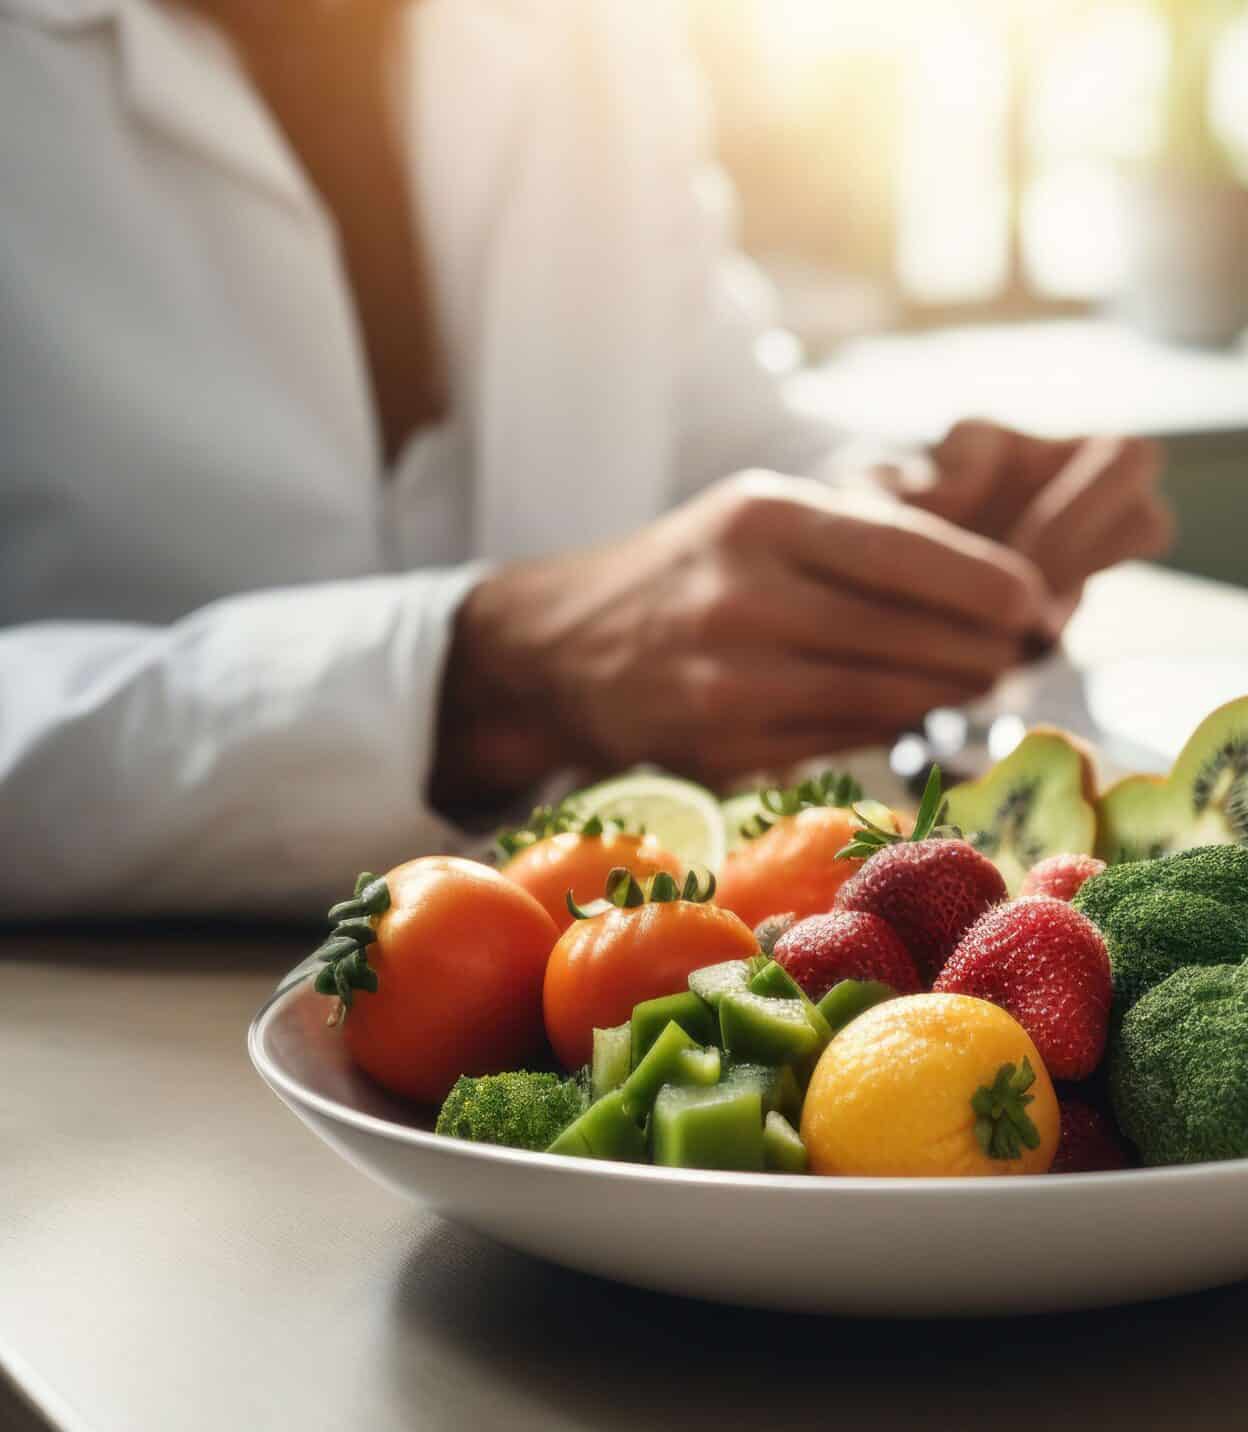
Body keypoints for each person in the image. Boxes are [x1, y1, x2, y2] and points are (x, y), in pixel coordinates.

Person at [0, 0, 1171, 915]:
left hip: (583, 966)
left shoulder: (593, 31)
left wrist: (890, 515)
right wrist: (485, 677)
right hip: (103, 1050)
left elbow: (711, 427)